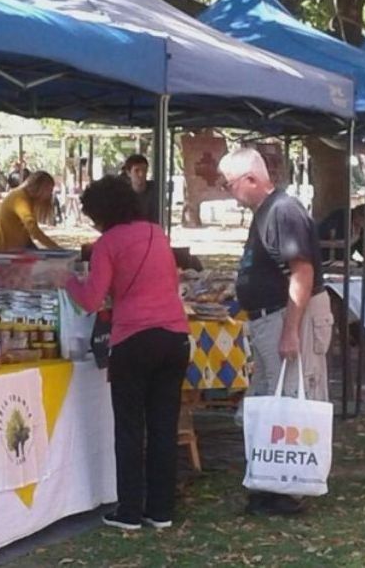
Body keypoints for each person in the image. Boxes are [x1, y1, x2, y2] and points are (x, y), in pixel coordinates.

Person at [65, 176, 190, 530]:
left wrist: (66, 280)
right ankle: (161, 510)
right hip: (175, 337)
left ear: (101, 212)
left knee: (131, 428)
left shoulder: (108, 243)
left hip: (134, 339)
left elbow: (91, 299)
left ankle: (130, 510)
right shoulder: (156, 233)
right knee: (164, 426)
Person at [219, 148, 333, 516]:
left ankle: (285, 487)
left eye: (229, 183)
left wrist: (290, 331)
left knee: (289, 402)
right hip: (269, 318)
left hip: (286, 317)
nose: (227, 191)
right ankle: (268, 485)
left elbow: (302, 272)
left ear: (251, 179)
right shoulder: (267, 212)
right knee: (268, 401)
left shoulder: (282, 211)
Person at [0, 170, 61, 251]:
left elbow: (25, 236)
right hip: (1, 252)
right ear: (40, 187)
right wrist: (56, 248)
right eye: (49, 189)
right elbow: (33, 229)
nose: (50, 194)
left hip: (15, 250)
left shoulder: (28, 200)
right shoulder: (20, 198)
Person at [121, 154, 159, 223]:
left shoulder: (155, 191)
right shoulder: (123, 194)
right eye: (136, 170)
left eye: (144, 170)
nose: (141, 174)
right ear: (128, 173)